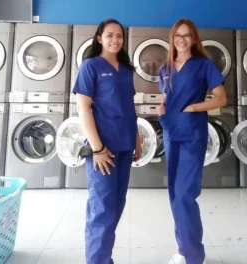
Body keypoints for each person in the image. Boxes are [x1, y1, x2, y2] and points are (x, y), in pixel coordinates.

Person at [73, 19, 142, 264]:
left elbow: (127, 107)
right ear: (99, 38)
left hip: (125, 146)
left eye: (120, 36)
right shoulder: (90, 67)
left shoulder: (126, 70)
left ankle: (104, 258)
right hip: (102, 149)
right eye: (110, 35)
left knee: (115, 206)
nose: (115, 40)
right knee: (101, 209)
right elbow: (83, 109)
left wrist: (137, 138)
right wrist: (98, 149)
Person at [158, 19, 227, 264]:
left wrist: (195, 106)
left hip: (192, 134)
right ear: (172, 38)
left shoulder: (203, 65)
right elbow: (166, 96)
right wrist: (163, 110)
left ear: (194, 38)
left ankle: (194, 256)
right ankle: (184, 249)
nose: (182, 39)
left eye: (187, 35)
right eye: (178, 35)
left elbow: (221, 99)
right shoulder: (165, 68)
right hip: (171, 132)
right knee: (174, 194)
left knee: (186, 194)